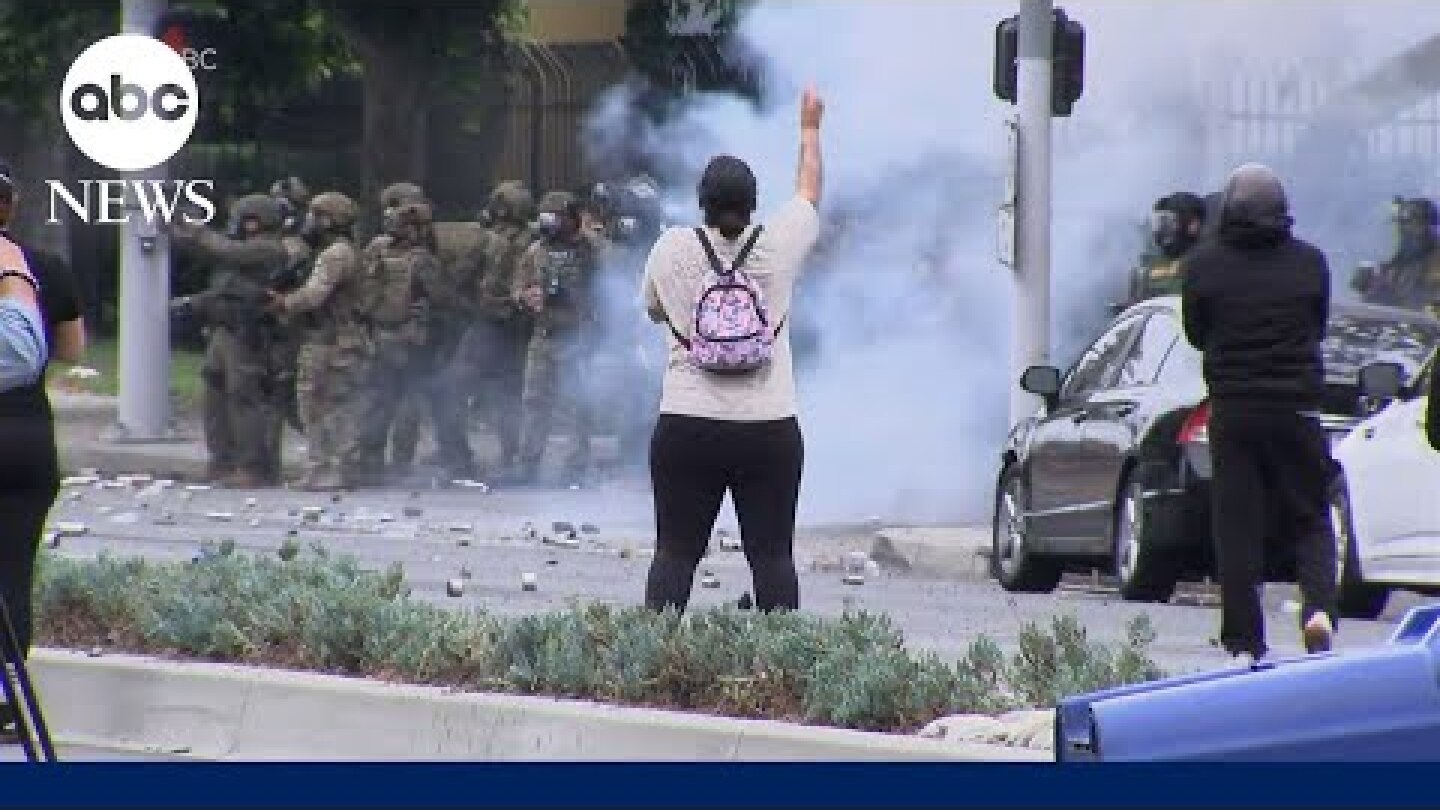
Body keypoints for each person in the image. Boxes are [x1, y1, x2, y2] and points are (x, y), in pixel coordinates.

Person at [639, 86, 824, 613]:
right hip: (769, 427)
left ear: (702, 203)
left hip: (686, 423)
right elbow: (808, 192)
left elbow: (653, 309)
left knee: (674, 554)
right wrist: (810, 128)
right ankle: (780, 672)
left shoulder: (672, 247)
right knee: (772, 559)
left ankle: (656, 663)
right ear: (753, 204)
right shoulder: (778, 245)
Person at [1180, 162, 1339, 663]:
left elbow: (1195, 333)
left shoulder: (1204, 265)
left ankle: (1244, 640)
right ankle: (1318, 610)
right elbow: (1317, 326)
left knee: (1237, 526)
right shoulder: (1310, 263)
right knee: (1311, 515)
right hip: (1297, 409)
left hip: (1234, 411)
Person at [171, 194, 292, 487]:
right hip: (223, 329)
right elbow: (214, 258)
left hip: (246, 334)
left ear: (255, 221)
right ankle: (222, 461)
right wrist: (177, 227)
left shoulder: (270, 249)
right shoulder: (244, 248)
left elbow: (228, 252)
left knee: (243, 397)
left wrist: (196, 230)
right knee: (215, 397)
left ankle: (252, 466)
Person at [268, 191, 369, 491]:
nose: (309, 222)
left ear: (329, 220)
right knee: (324, 405)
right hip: (333, 339)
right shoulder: (338, 251)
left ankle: (330, 469)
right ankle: (330, 467)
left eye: (316, 215)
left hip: (331, 341)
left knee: (321, 405)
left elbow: (314, 295)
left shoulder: (335, 254)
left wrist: (284, 303)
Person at [511, 191, 602, 486]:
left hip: (576, 336)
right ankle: (527, 464)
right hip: (544, 336)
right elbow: (517, 287)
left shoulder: (588, 251)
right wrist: (526, 297)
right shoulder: (534, 251)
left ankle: (575, 466)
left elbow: (601, 290)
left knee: (577, 403)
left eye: (557, 217)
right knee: (534, 401)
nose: (549, 224)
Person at [1351, 197, 1440, 312]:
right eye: (1401, 225)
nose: (1403, 230)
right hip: (1385, 324)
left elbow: (1425, 301)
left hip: (1420, 325)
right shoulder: (1398, 263)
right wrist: (1368, 283)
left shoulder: (1434, 261)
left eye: (1411, 224)